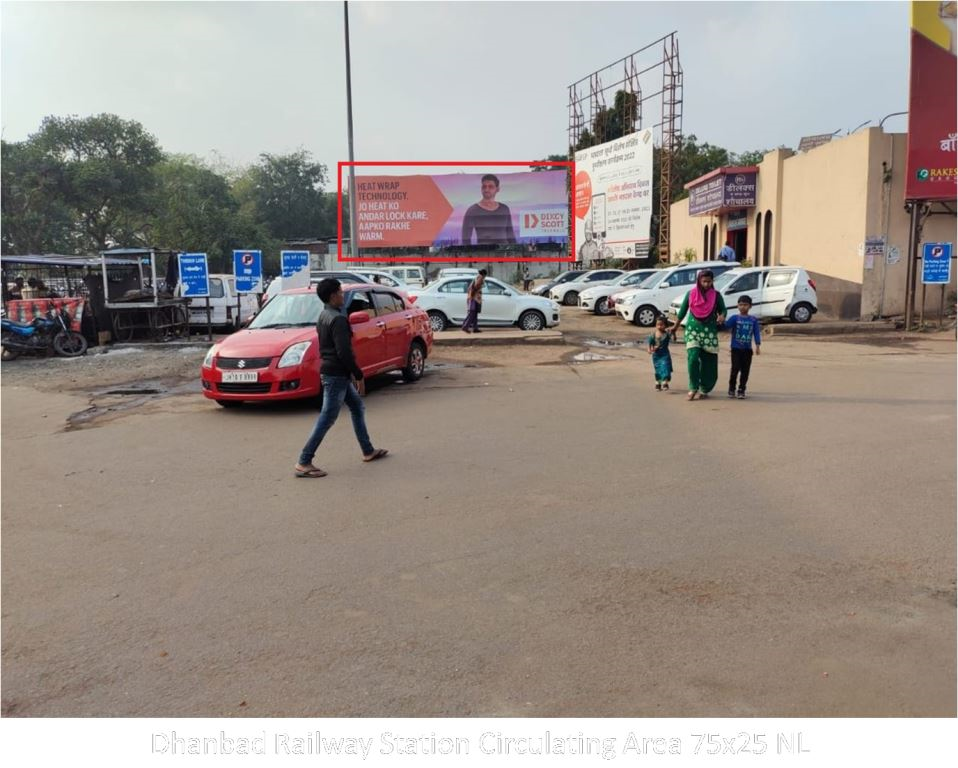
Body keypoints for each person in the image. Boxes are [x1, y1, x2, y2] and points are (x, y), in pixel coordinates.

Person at [294, 278, 388, 478]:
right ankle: (304, 460)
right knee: (328, 417)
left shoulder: (324, 315)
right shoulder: (337, 319)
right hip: (336, 374)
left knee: (356, 407)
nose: (342, 295)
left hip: (335, 373)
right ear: (332, 296)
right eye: (340, 292)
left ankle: (367, 450)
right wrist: (357, 372)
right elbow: (343, 352)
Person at [672, 269, 726, 401]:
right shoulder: (690, 294)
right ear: (699, 281)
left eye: (709, 281)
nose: (707, 284)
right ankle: (693, 387)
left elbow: (723, 309)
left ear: (712, 281)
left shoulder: (716, 296)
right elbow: (682, 312)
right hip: (693, 330)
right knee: (693, 358)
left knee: (709, 362)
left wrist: (722, 316)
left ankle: (704, 388)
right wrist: (675, 327)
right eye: (704, 281)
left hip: (709, 331)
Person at [461, 175, 516, 246]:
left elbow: (510, 235)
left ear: (497, 189)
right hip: (483, 253)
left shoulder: (505, 209)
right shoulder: (472, 210)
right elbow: (466, 239)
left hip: (504, 253)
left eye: (490, 186)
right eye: (484, 186)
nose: (486, 189)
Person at [724, 294, 762, 399]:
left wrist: (758, 345)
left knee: (745, 371)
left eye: (745, 305)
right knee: (735, 369)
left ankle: (741, 389)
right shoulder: (734, 318)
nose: (743, 307)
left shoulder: (753, 320)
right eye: (740, 305)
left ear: (750, 306)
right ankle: (732, 388)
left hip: (747, 350)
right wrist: (720, 320)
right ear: (737, 306)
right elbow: (726, 325)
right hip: (736, 349)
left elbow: (756, 332)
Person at [647, 315, 673, 391]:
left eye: (661, 325)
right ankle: (657, 383)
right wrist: (649, 349)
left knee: (665, 367)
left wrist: (673, 332)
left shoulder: (667, 334)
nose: (659, 326)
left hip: (665, 354)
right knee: (658, 369)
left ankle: (665, 382)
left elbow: (674, 339)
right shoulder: (653, 334)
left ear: (665, 325)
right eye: (657, 324)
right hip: (656, 355)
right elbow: (650, 343)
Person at [461, 269, 487, 333]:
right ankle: (465, 326)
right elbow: (476, 286)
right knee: (472, 313)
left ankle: (475, 328)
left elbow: (471, 287)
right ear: (484, 274)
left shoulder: (477, 277)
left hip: (473, 297)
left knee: (474, 313)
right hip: (474, 298)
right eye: (485, 275)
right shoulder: (480, 277)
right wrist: (475, 294)